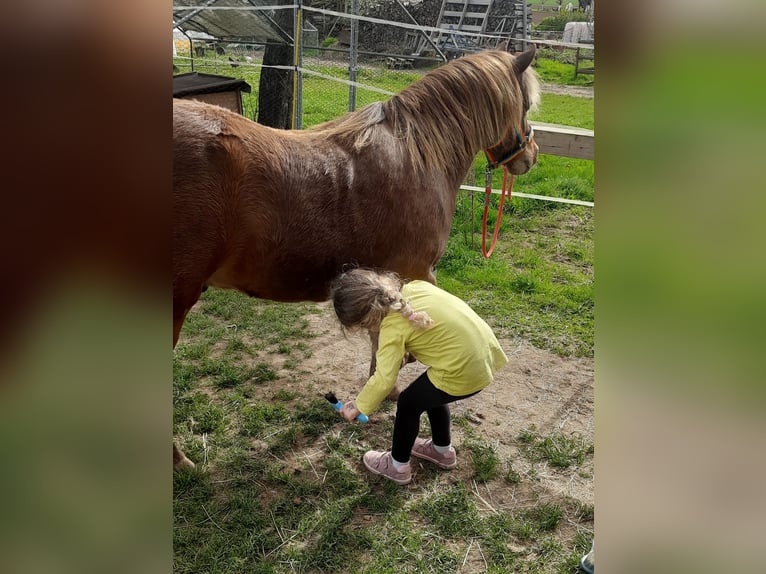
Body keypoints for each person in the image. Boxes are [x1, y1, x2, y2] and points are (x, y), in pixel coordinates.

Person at [331, 268, 508, 485]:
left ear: (366, 320)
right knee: (432, 393)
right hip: (483, 355)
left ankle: (397, 466)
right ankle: (441, 451)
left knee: (408, 403)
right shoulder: (416, 287)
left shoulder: (391, 328)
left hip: (464, 369)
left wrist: (358, 405)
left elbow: (384, 379)